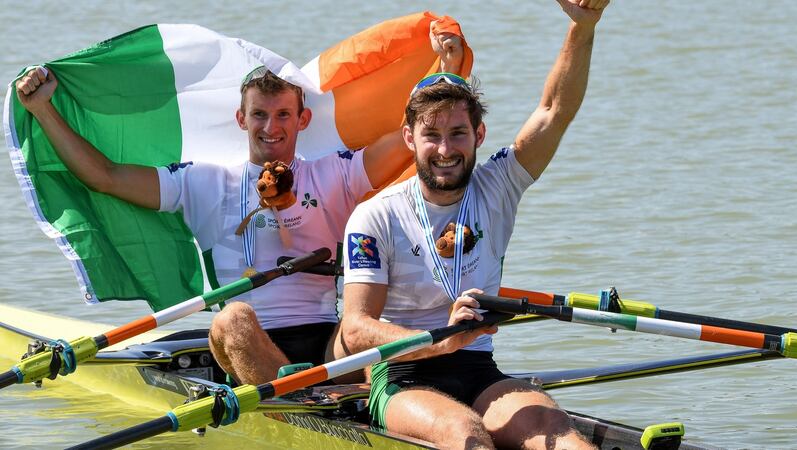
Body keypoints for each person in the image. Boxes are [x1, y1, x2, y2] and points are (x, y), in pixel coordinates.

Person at [14, 30, 464, 386]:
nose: (272, 127)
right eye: (260, 116)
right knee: (232, 317)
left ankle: (319, 393)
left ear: (302, 120)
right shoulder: (200, 181)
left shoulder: (337, 173)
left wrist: (444, 72)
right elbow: (105, 177)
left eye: (284, 115)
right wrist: (43, 109)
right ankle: (303, 402)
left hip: (329, 343)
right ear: (241, 119)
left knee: (362, 321)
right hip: (248, 339)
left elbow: (410, 137)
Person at [340, 0, 609, 448]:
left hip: (480, 372)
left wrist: (583, 26)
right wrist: (438, 342)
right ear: (410, 139)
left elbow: (553, 111)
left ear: (478, 135)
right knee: (466, 437)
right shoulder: (375, 215)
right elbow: (354, 330)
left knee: (567, 442)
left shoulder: (497, 185)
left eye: (458, 134)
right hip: (401, 375)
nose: (445, 150)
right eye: (432, 135)